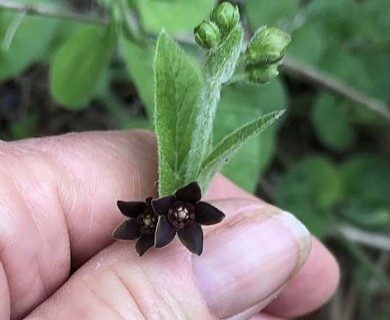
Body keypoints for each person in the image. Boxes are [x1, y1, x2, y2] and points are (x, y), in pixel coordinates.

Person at [0, 130, 339, 320]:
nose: (179, 216)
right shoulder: (160, 222)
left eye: (179, 215)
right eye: (175, 214)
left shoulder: (184, 218)